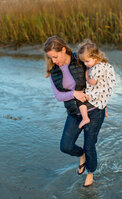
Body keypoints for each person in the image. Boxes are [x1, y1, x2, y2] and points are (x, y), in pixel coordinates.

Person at [44, 36, 107, 187]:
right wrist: (74, 93)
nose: (53, 60)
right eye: (50, 57)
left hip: (94, 109)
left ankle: (90, 174)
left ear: (63, 50)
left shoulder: (80, 59)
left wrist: (105, 103)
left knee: (89, 144)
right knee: (65, 146)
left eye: (55, 56)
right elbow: (59, 96)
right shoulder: (54, 72)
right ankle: (82, 155)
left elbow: (100, 79)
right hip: (74, 112)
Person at [77, 40, 115, 129]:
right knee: (103, 97)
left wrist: (86, 77)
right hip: (105, 91)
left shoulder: (96, 68)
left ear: (95, 57)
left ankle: (85, 118)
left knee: (79, 99)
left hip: (97, 92)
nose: (85, 64)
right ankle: (104, 109)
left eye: (87, 61)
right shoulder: (106, 65)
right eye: (83, 62)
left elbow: (93, 82)